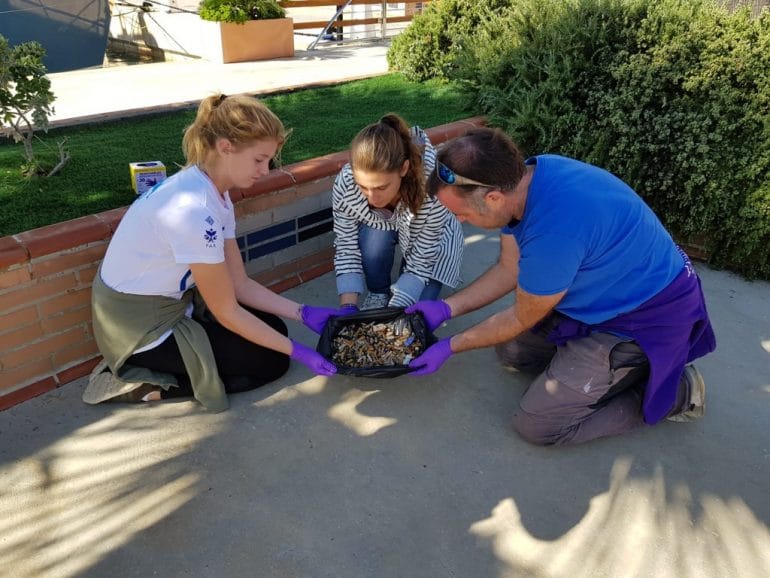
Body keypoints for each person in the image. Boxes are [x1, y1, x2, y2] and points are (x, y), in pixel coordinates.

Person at [406, 127, 716, 445]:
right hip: (601, 291)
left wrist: (450, 346)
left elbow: (520, 317)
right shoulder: (525, 178)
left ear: (493, 198)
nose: (458, 220)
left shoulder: (553, 237)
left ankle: (677, 390)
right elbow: (509, 268)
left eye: (461, 213)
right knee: (512, 352)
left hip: (643, 318)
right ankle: (590, 371)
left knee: (537, 426)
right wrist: (446, 308)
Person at [85, 94, 339, 411]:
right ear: (225, 147)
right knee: (272, 363)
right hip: (139, 330)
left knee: (275, 330)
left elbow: (239, 284)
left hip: (169, 304)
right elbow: (227, 310)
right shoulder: (194, 211)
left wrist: (303, 312)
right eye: (259, 160)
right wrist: (299, 352)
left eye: (269, 161)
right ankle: (149, 387)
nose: (266, 170)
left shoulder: (214, 192)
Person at [332, 113, 464, 310]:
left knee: (416, 312)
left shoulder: (434, 188)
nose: (372, 198)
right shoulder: (346, 183)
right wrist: (347, 306)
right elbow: (346, 247)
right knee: (374, 235)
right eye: (363, 187)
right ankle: (378, 292)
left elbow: (421, 261)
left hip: (434, 241)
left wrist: (395, 312)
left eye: (381, 187)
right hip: (384, 224)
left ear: (404, 168)